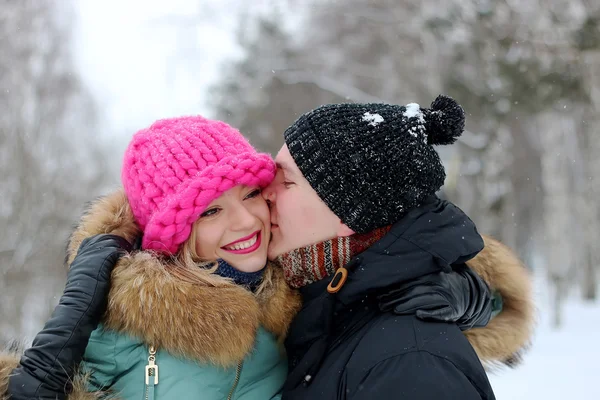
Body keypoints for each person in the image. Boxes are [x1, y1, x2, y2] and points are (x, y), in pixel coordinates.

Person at [0, 112, 499, 399]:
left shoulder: (302, 292)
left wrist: (477, 294)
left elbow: (383, 270)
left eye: (254, 192)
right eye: (211, 210)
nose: (247, 221)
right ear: (174, 233)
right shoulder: (118, 323)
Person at [262, 95, 534, 399]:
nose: (265, 194)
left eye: (286, 182)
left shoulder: (410, 363)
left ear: (350, 212)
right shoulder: (311, 305)